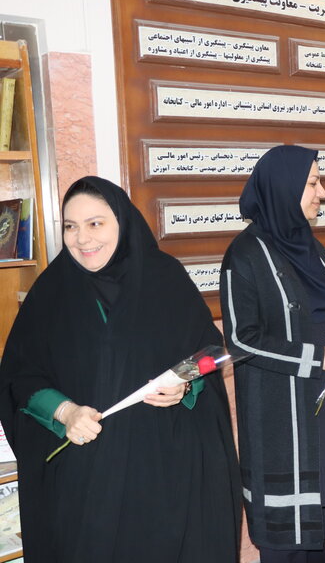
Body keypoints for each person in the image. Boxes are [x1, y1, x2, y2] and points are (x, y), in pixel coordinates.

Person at [0, 176, 241, 562]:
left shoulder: (165, 278)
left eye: (95, 223)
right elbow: (20, 377)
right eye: (71, 226)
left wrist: (183, 386)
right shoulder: (50, 291)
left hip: (165, 473)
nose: (82, 239)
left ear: (122, 222)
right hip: (86, 479)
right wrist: (65, 412)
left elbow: (204, 354)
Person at [219, 146, 325, 562]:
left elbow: (321, 314)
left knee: (324, 527)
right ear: (283, 187)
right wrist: (318, 358)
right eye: (313, 183)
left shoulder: (311, 246)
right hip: (282, 421)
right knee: (287, 542)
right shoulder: (244, 254)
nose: (322, 193)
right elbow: (241, 339)